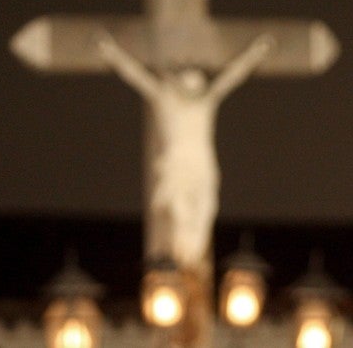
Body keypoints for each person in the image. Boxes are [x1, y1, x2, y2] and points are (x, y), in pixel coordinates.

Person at [95, 29, 276, 268]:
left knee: (206, 210)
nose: (193, 84)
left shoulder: (206, 101)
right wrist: (113, 54)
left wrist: (255, 54)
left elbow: (231, 77)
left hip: (202, 163)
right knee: (180, 215)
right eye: (189, 79)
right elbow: (137, 76)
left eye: (197, 80)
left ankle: (195, 257)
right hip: (177, 165)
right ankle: (181, 258)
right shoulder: (165, 99)